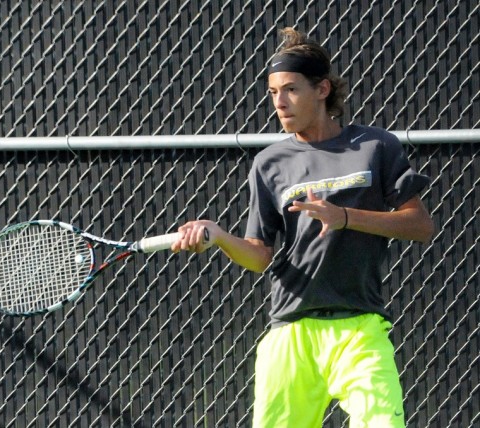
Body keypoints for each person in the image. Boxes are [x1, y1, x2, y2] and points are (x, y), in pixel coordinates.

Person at [171, 27, 434, 427]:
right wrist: (220, 236)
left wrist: (344, 217)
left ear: (323, 89)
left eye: (291, 89)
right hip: (290, 331)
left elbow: (420, 225)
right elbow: (261, 256)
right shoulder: (269, 164)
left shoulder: (376, 146)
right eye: (273, 92)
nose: (280, 102)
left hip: (360, 330)